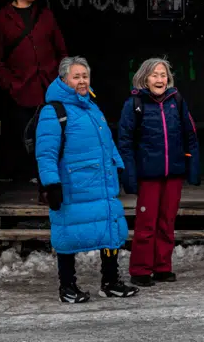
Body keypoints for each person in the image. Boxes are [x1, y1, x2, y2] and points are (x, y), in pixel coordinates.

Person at [36, 56, 136, 303]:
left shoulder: (91, 107)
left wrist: (118, 165)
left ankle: (110, 282)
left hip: (101, 185)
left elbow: (107, 143)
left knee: (110, 232)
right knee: (68, 236)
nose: (82, 81)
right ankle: (67, 287)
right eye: (76, 76)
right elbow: (45, 153)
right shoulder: (54, 111)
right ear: (63, 79)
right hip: (73, 187)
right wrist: (51, 184)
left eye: (85, 76)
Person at [117, 58, 200, 286]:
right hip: (148, 176)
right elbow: (125, 143)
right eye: (154, 75)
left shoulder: (177, 101)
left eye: (163, 75)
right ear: (144, 78)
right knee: (146, 224)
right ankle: (141, 270)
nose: (160, 79)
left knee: (167, 222)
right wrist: (129, 177)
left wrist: (192, 170)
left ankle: (162, 267)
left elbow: (190, 135)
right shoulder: (134, 104)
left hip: (173, 174)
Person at [0, 0, 66, 181]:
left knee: (50, 133)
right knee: (23, 134)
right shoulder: (1, 18)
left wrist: (60, 79)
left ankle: (47, 175)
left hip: (49, 86)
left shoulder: (45, 15)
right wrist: (9, 84)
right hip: (20, 88)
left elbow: (61, 51)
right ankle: (27, 174)